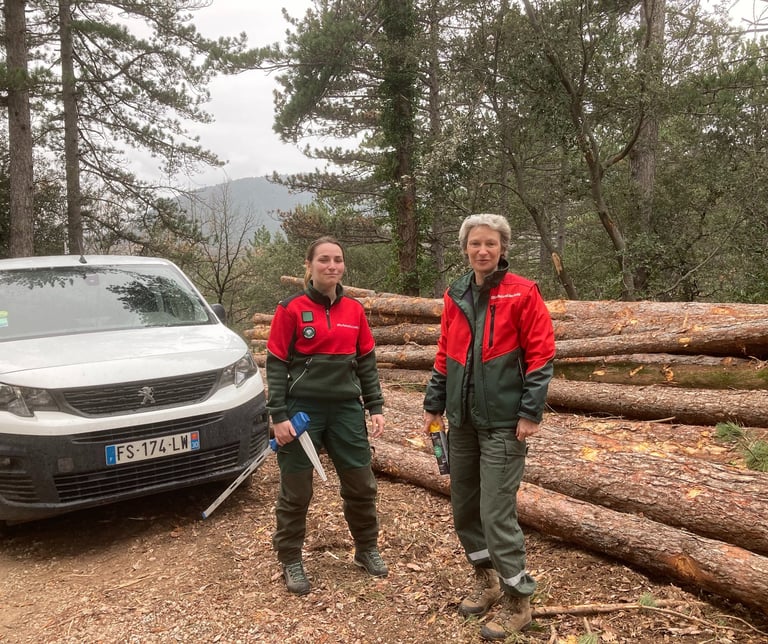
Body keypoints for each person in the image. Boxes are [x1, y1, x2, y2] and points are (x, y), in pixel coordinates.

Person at [422, 214, 555, 640]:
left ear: (502, 248)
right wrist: (434, 403)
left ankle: (519, 601)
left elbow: (541, 355)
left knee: (496, 513)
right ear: (465, 248)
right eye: (476, 243)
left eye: (491, 244)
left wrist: (530, 411)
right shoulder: (456, 293)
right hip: (460, 421)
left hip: (503, 423)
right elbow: (445, 352)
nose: (483, 250)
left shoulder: (522, 292)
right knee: (465, 506)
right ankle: (487, 579)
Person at [266, 236, 388, 595]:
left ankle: (366, 549)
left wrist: (375, 405)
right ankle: (290, 558)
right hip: (302, 411)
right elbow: (275, 364)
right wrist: (278, 416)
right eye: (323, 260)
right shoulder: (290, 309)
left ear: (343, 266)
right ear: (309, 265)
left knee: (361, 485)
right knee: (296, 491)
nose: (331, 266)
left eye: (337, 260)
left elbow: (366, 361)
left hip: (346, 410)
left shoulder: (354, 310)